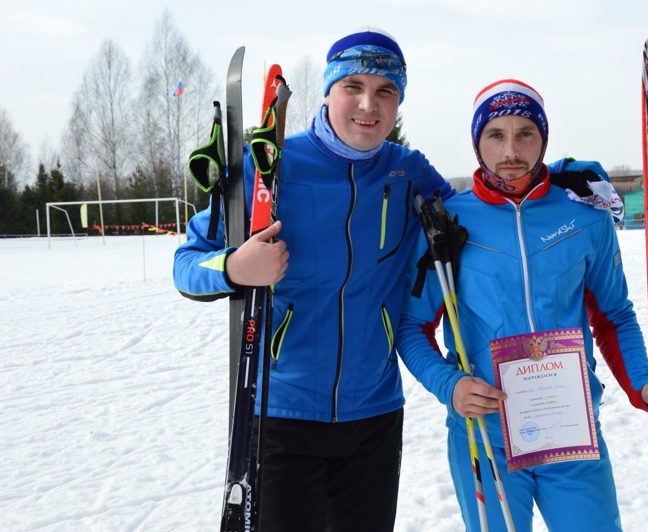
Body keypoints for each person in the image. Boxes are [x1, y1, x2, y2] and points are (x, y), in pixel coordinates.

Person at [174, 27, 616, 530]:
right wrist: (233, 268)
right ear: (328, 91)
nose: (368, 104)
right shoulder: (270, 168)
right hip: (281, 414)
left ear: (399, 102)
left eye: (386, 91)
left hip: (374, 418)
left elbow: (485, 199)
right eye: (352, 87)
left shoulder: (407, 171)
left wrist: (557, 178)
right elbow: (187, 265)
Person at [396, 79, 648, 531]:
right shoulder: (449, 221)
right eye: (495, 135)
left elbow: (614, 315)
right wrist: (450, 386)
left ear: (544, 137)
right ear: (477, 142)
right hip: (486, 437)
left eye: (526, 133)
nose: (511, 151)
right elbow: (412, 326)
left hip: (571, 431)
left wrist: (644, 384)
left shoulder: (584, 215)